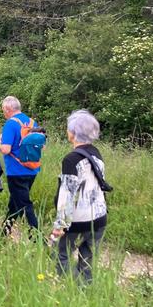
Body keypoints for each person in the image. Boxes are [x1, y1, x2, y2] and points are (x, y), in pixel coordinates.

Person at [50, 110, 109, 284]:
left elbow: (67, 194)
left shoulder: (71, 159)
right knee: (87, 260)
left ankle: (70, 288)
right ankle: (85, 289)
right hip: (98, 217)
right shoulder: (96, 153)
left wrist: (59, 225)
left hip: (77, 219)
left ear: (73, 133)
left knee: (60, 254)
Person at [0, 96, 41, 239]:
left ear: (7, 109)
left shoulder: (10, 124)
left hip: (16, 171)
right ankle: (2, 233)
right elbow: (41, 145)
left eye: (3, 110)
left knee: (24, 204)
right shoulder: (32, 122)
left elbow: (5, 149)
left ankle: (37, 236)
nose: (3, 113)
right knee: (15, 203)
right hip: (32, 169)